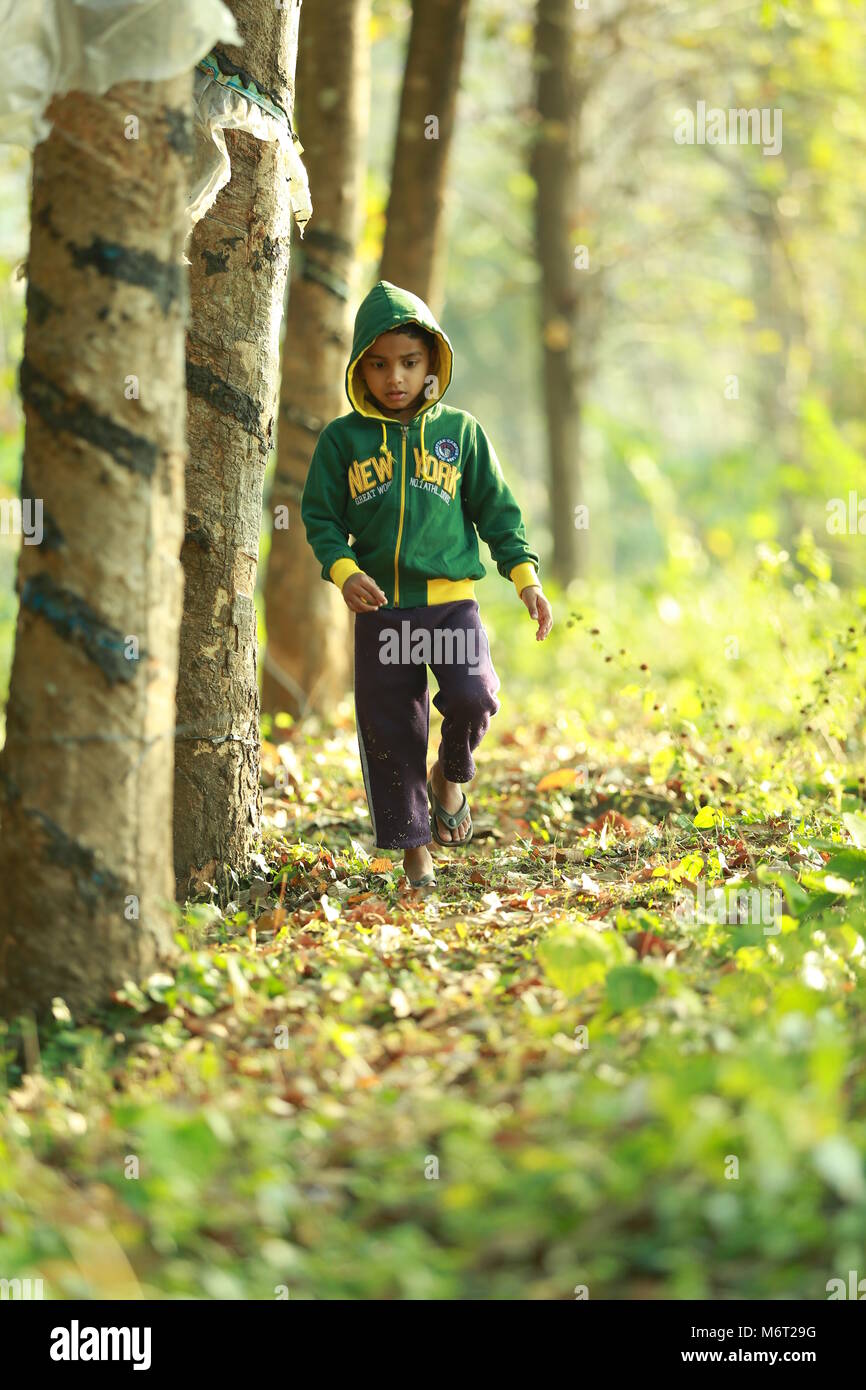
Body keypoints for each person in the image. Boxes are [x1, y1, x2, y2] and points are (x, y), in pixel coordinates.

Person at [301, 280, 553, 889]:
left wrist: (524, 578)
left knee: (474, 696)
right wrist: (343, 571)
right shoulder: (342, 441)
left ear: (431, 363)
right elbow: (321, 519)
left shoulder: (462, 434)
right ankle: (416, 854)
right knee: (392, 733)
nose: (396, 377)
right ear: (361, 367)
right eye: (381, 364)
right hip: (383, 611)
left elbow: (498, 512)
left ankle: (452, 776)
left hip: (449, 608)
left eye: (410, 363)